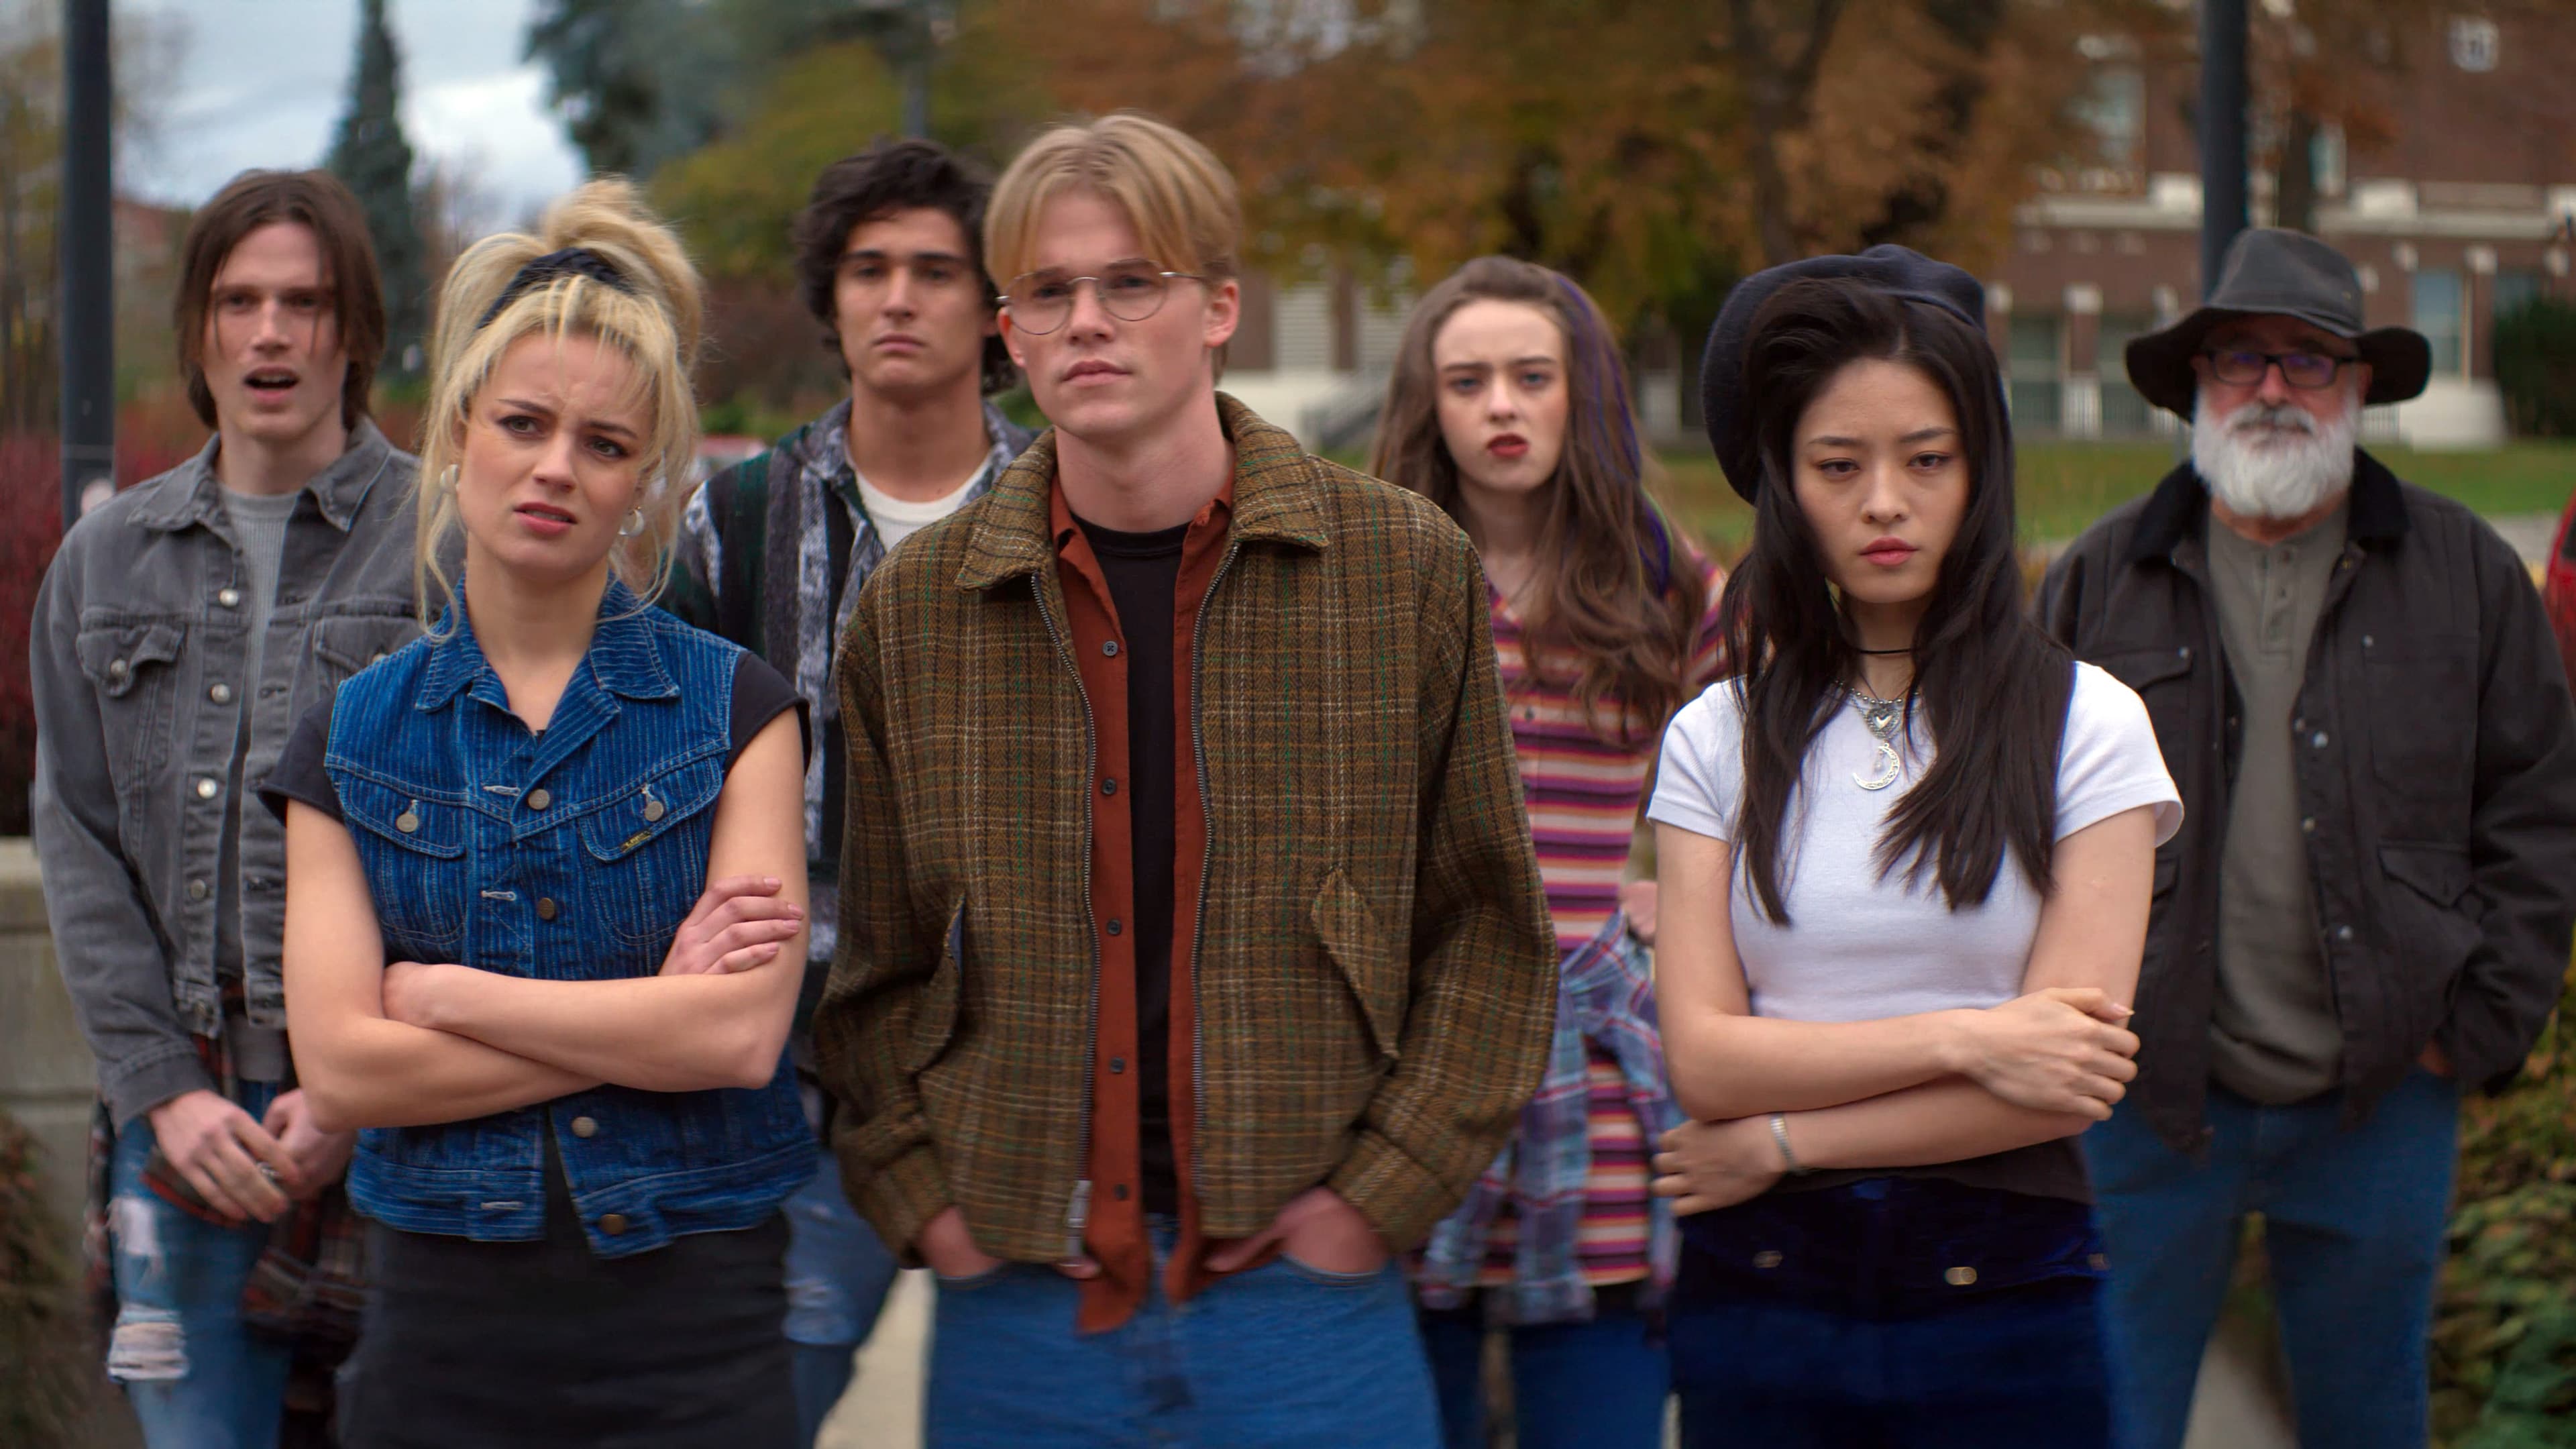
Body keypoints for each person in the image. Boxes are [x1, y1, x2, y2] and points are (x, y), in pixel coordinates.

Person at [811, 112, 1560, 1447]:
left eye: (1131, 282)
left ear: (1220, 306)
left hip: (1304, 1302)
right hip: (1020, 1301)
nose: (1088, 321)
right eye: (1050, 290)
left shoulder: (1401, 571)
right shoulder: (918, 611)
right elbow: (874, 965)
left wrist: (1373, 1203)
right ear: (1011, 332)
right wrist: (928, 1207)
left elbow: (1490, 936)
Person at [260, 179, 812, 1448]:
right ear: (460, 432)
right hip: (443, 1333)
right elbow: (343, 1068)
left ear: (644, 483)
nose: (557, 467)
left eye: (605, 445)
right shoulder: (350, 737)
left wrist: (445, 997)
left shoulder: (741, 712)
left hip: (696, 1331)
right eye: (524, 424)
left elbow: (739, 1039)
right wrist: (651, 1016)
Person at [2039, 227, 2576, 1449]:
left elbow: (2539, 810)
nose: (2272, 388)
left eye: (2310, 359)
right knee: (2106, 1416)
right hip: (2145, 1099)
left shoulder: (2466, 576)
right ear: (2197, 381)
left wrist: (2471, 1030)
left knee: (2368, 1422)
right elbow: (2026, 819)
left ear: (2361, 385)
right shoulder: (2102, 577)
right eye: (2241, 358)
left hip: (2381, 1098)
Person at [1644, 246, 2182, 1447]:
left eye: (1926, 460)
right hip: (1764, 1284)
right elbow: (1706, 1063)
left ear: (1980, 470)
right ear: (1786, 485)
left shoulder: (2088, 722)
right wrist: (1971, 1037)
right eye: (1839, 465)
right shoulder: (1716, 736)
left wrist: (1783, 1139)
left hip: (2006, 1286)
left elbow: (2069, 1082)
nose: (1884, 501)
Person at [31, 167, 414, 1447]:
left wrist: (360, 1087)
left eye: (305, 302)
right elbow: (77, 840)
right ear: (198, 327)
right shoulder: (106, 560)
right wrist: (160, 1090)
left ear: (354, 330)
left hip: (401, 1126)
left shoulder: (444, 546)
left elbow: (493, 846)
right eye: (239, 301)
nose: (270, 333)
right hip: (182, 1122)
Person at [667, 136, 1036, 1446]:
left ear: (993, 309)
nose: (898, 299)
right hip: (796, 1088)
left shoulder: (1073, 511)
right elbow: (668, 784)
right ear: (830, 296)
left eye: (935, 271)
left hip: (1026, 1081)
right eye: (869, 269)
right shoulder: (736, 518)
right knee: (764, 1411)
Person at [1371, 255, 1721, 1449]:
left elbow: (1767, 800)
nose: (1502, 407)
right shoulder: (1369, 579)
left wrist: (1678, 887)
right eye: (1467, 382)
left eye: (1532, 376)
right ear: (1430, 404)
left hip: (1604, 1092)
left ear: (1585, 393)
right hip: (1413, 1077)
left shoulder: (1670, 582)